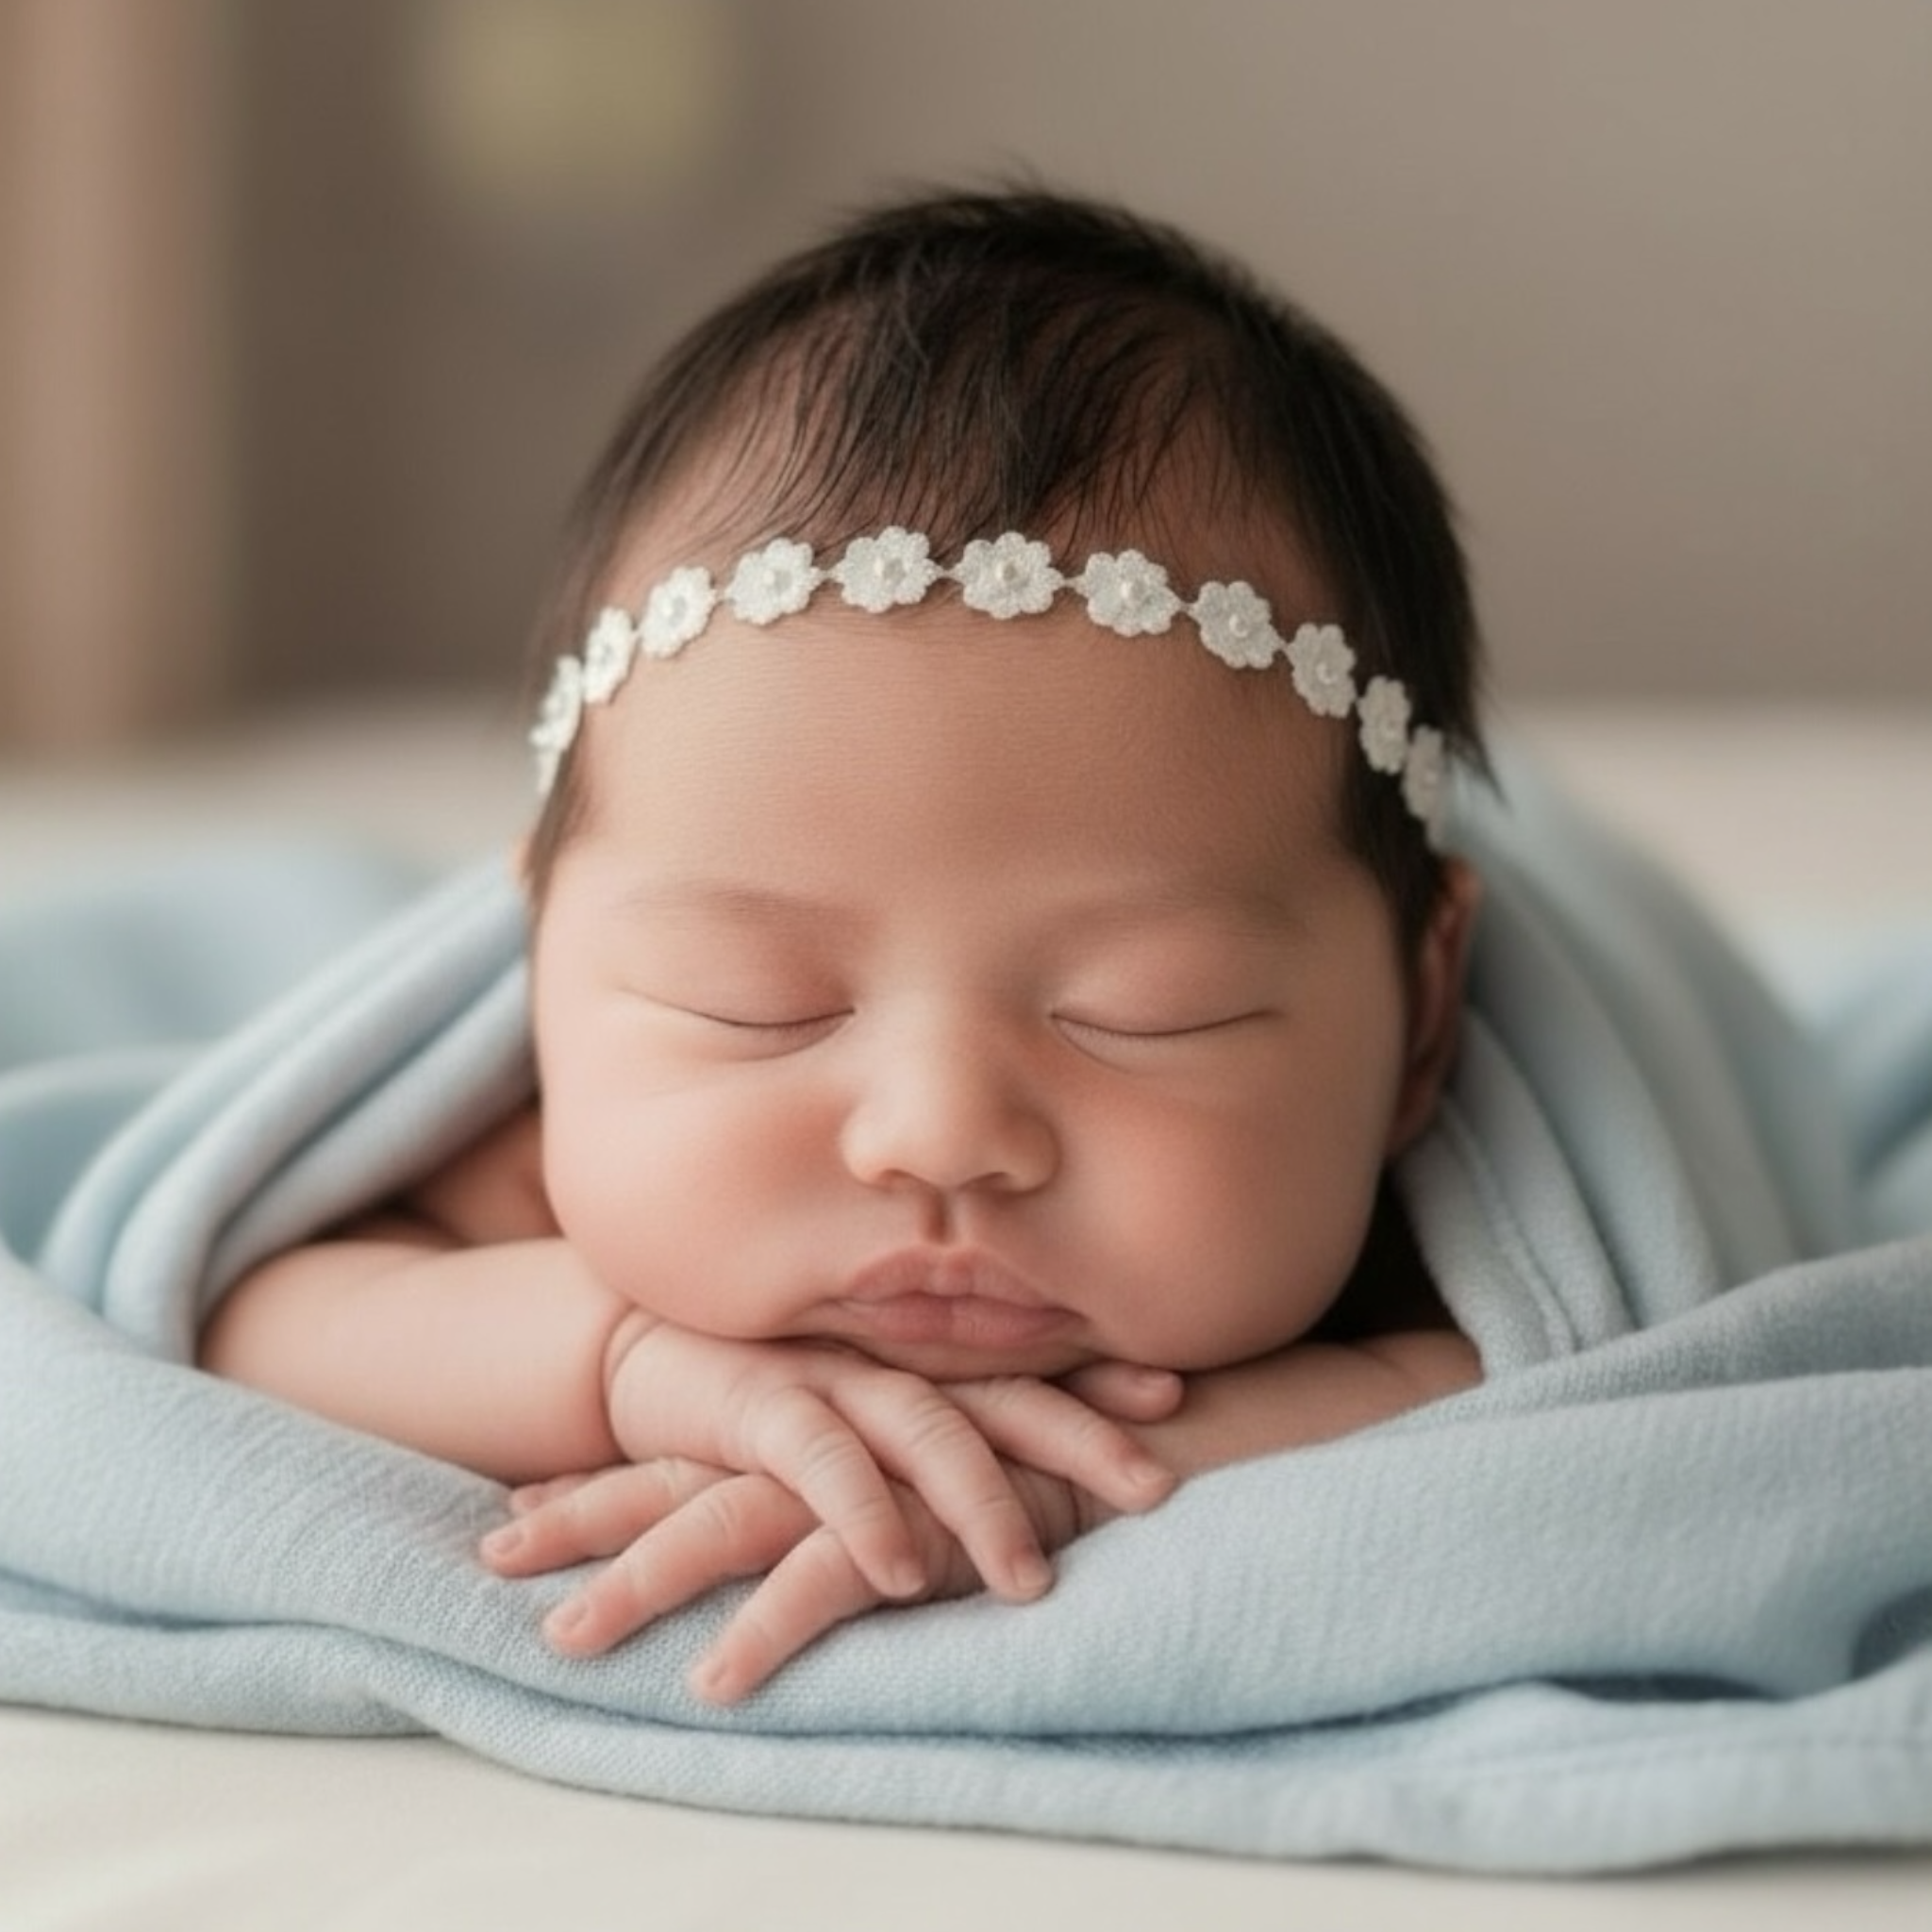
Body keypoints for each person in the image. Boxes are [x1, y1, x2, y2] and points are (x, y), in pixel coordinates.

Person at [199, 186, 1489, 1706]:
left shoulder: (1410, 1224)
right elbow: (249, 1315)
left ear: (1416, 1024)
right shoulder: (523, 1154)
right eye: (755, 1003)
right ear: (546, 974)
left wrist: (1068, 1475)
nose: (938, 1135)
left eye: (1151, 1011)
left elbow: (1549, 1387)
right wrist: (622, 1363)